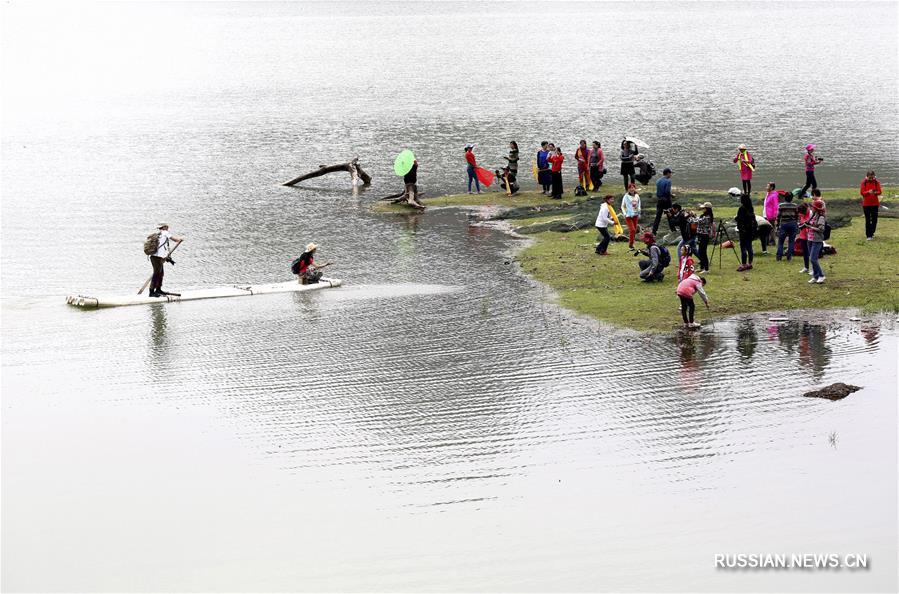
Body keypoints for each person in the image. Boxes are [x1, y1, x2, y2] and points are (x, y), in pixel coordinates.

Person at [148, 222, 183, 298]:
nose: (168, 228)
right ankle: (151, 292)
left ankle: (158, 289)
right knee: (156, 274)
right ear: (164, 227)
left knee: (160, 274)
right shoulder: (165, 233)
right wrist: (180, 239)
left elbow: (163, 248)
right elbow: (175, 240)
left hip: (155, 257)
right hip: (157, 258)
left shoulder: (158, 234)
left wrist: (167, 258)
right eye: (167, 227)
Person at [801, 198, 827, 283]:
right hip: (810, 239)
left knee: (813, 259)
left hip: (817, 240)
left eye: (813, 207)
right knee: (811, 258)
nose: (811, 208)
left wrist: (810, 227)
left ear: (816, 208)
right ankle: (815, 277)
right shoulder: (814, 215)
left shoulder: (821, 217)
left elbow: (821, 229)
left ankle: (821, 275)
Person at [734, 193, 756, 271]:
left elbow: (740, 220)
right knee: (749, 247)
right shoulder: (751, 208)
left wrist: (737, 219)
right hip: (750, 230)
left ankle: (743, 264)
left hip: (743, 231)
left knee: (743, 248)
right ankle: (750, 263)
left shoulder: (741, 208)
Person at [775, 190, 799, 261]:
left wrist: (777, 225)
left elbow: (778, 216)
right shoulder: (795, 206)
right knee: (791, 241)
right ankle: (789, 257)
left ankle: (779, 257)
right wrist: (797, 225)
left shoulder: (781, 205)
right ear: (792, 198)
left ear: (785, 198)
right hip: (792, 224)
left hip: (784, 224)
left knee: (781, 241)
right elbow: (797, 216)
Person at [860, 170, 882, 240]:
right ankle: (868, 235)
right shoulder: (864, 182)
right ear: (867, 177)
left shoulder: (876, 182)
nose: (871, 179)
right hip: (866, 204)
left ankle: (872, 232)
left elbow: (880, 192)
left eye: (872, 177)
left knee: (874, 219)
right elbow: (862, 193)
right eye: (870, 178)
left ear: (874, 176)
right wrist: (868, 192)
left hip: (875, 204)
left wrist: (875, 192)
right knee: (868, 220)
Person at [620, 184, 641, 249]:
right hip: (628, 216)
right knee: (632, 230)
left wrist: (639, 212)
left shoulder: (637, 196)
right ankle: (630, 245)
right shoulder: (626, 196)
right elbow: (622, 206)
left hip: (635, 215)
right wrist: (625, 213)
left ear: (635, 188)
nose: (632, 189)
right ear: (628, 189)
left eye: (633, 188)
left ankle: (632, 243)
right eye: (630, 188)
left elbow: (639, 204)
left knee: (634, 230)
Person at [694, 202, 714, 273]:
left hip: (704, 236)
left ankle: (706, 269)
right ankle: (702, 267)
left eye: (704, 208)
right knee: (700, 251)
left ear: (707, 209)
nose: (702, 209)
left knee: (703, 252)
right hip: (700, 235)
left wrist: (693, 215)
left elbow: (697, 221)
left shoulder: (707, 217)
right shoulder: (704, 215)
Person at [653, 168, 673, 235]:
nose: (671, 175)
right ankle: (673, 230)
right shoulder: (668, 181)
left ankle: (654, 231)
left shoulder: (658, 181)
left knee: (658, 217)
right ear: (668, 173)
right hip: (666, 201)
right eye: (670, 173)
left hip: (659, 200)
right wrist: (671, 195)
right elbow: (667, 191)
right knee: (670, 215)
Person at [761, 182, 779, 253]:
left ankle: (772, 241)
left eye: (767, 186)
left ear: (771, 188)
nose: (766, 187)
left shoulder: (773, 196)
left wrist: (774, 215)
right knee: (766, 228)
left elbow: (775, 206)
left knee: (771, 229)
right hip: (766, 214)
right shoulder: (768, 194)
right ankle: (767, 241)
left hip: (770, 215)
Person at [796, 201, 812, 274]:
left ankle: (813, 269)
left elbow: (811, 225)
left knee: (811, 253)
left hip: (810, 236)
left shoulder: (811, 214)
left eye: (801, 213)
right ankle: (806, 267)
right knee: (805, 252)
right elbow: (801, 223)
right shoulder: (802, 213)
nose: (800, 214)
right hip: (803, 236)